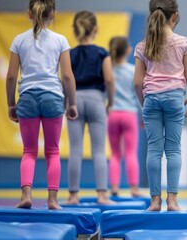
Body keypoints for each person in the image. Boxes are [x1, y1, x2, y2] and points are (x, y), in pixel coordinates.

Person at [5, 0, 77, 210]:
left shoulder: (19, 40)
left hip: (27, 97)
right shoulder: (60, 40)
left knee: (29, 150)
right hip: (52, 97)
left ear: (29, 13)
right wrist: (71, 103)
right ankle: (52, 200)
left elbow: (11, 77)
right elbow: (67, 76)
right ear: (53, 14)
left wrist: (11, 104)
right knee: (52, 151)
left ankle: (26, 195)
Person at [134, 0, 187, 211]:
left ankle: (154, 201)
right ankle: (172, 200)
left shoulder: (143, 45)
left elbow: (137, 82)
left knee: (153, 150)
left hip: (151, 98)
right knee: (173, 150)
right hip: (174, 98)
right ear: (175, 16)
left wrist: (145, 103)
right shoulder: (182, 42)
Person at [65, 10, 115, 205]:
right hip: (96, 99)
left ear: (76, 30)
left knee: (75, 150)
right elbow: (109, 79)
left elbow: (66, 80)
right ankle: (102, 195)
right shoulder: (102, 53)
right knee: (99, 150)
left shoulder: (69, 54)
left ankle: (72, 195)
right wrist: (110, 102)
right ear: (96, 29)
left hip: (75, 99)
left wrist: (67, 102)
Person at [108, 37, 142, 197]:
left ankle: (114, 187)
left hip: (112, 114)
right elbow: (138, 93)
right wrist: (143, 113)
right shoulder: (132, 70)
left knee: (115, 154)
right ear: (128, 50)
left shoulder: (108, 70)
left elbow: (104, 94)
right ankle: (134, 188)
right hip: (129, 114)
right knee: (130, 153)